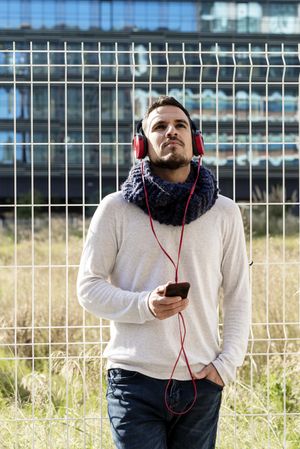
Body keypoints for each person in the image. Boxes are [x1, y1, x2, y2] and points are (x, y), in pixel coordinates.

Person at [77, 96, 251, 449]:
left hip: (201, 381)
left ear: (195, 140)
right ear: (140, 145)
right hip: (132, 380)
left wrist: (225, 366)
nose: (171, 131)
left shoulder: (225, 212)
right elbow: (88, 288)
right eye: (159, 126)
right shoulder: (115, 209)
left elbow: (238, 293)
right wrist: (145, 305)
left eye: (180, 125)